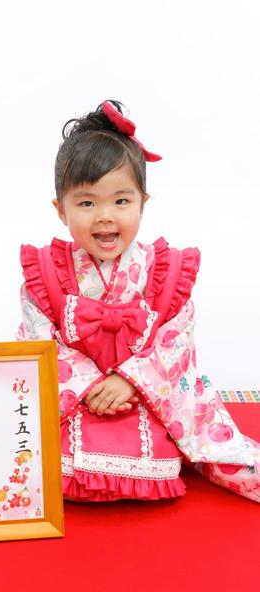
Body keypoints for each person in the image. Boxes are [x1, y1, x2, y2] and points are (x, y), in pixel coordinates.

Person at [16, 99, 260, 503]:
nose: (105, 216)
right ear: (60, 210)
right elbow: (38, 343)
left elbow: (175, 341)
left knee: (211, 445)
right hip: (78, 398)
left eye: (121, 201)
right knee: (21, 446)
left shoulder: (165, 272)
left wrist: (131, 380)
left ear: (143, 203)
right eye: (87, 202)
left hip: (147, 395)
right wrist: (91, 384)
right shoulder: (45, 274)